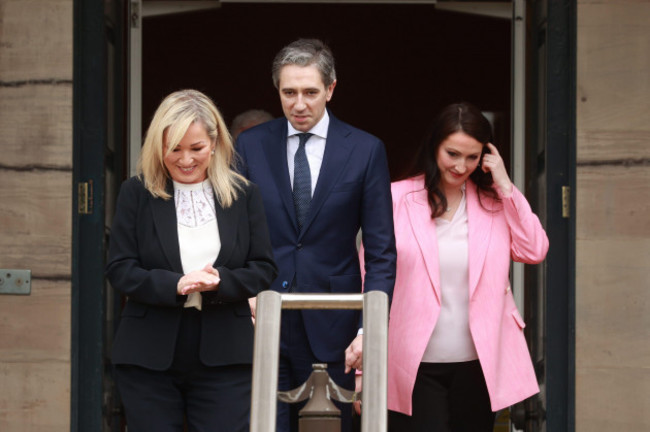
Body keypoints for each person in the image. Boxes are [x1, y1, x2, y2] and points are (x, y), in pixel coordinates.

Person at [236, 38, 396, 432]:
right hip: (264, 319)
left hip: (333, 324)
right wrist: (243, 298)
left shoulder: (365, 150)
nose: (299, 103)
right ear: (278, 91)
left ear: (331, 89)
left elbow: (381, 252)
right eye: (289, 92)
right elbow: (233, 234)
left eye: (310, 92)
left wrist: (368, 329)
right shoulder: (250, 145)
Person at [106, 89, 278, 432]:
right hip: (147, 355)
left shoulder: (244, 195)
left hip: (226, 352)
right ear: (159, 146)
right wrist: (175, 284)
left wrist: (222, 282)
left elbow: (263, 268)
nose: (186, 159)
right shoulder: (135, 192)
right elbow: (120, 268)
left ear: (214, 144)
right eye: (175, 149)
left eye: (196, 148)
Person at [376, 102, 549, 431]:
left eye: (472, 157)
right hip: (412, 363)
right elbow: (369, 277)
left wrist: (505, 184)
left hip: (479, 362)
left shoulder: (496, 204)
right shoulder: (396, 198)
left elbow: (534, 249)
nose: (461, 166)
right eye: (452, 153)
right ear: (434, 147)